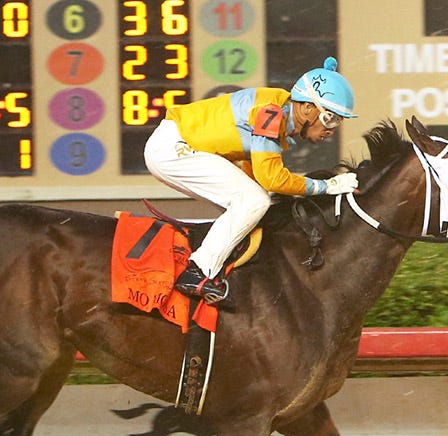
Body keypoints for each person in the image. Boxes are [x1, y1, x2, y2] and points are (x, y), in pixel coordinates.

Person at [144, 56, 359, 305]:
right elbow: (272, 179)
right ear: (307, 108)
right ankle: (198, 271)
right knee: (255, 200)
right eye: (330, 118)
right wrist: (328, 186)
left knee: (254, 203)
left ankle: (219, 267)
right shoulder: (271, 112)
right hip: (173, 147)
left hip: (176, 145)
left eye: (338, 122)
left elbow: (256, 175)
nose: (331, 129)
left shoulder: (278, 113)